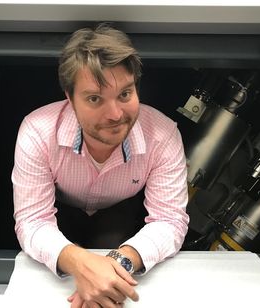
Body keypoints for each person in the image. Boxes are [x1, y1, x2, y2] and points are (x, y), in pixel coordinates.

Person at [12, 23, 189, 308]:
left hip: (123, 216)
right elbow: (33, 221)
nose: (115, 114)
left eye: (125, 94)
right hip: (61, 214)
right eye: (95, 98)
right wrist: (81, 264)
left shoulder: (164, 134)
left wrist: (117, 264)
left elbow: (169, 220)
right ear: (69, 99)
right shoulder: (37, 130)